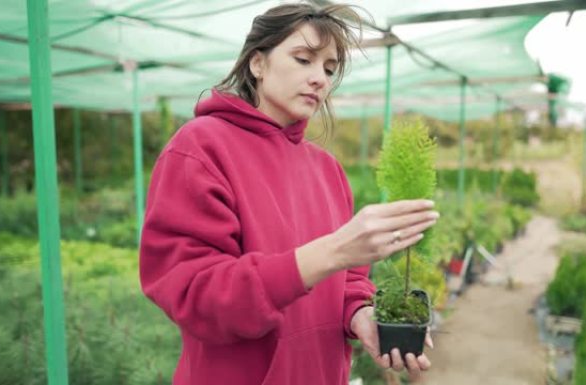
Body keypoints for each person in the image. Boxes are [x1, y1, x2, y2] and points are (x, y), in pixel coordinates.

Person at [139, 3, 437, 385]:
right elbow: (195, 293)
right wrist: (331, 251)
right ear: (257, 64)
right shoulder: (200, 147)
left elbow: (349, 281)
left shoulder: (327, 169)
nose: (320, 79)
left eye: (329, 69)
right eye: (303, 59)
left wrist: (358, 314)